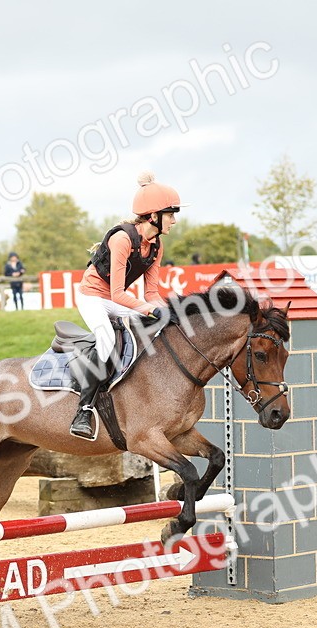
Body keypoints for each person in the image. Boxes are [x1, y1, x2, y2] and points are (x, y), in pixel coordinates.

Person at [69, 171, 180, 440]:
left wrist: (167, 312)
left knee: (161, 324)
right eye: (171, 214)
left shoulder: (156, 244)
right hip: (93, 297)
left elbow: (151, 291)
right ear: (154, 216)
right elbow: (118, 294)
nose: (175, 221)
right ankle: (83, 411)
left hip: (115, 300)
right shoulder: (122, 239)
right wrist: (151, 309)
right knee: (106, 341)